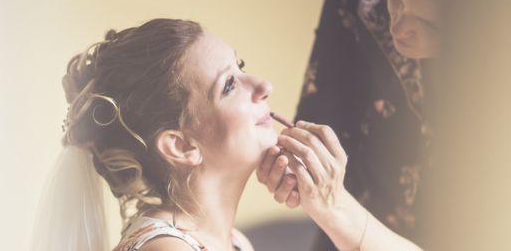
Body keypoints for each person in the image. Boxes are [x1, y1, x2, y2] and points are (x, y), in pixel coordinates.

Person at [31, 18, 422, 250]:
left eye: (241, 66)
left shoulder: (230, 241)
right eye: (230, 85)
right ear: (181, 145)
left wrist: (330, 205)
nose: (263, 85)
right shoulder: (167, 250)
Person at [257, 0, 442, 249]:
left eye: (433, 26)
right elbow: (323, 118)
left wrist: (334, 208)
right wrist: (299, 174)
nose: (398, 28)